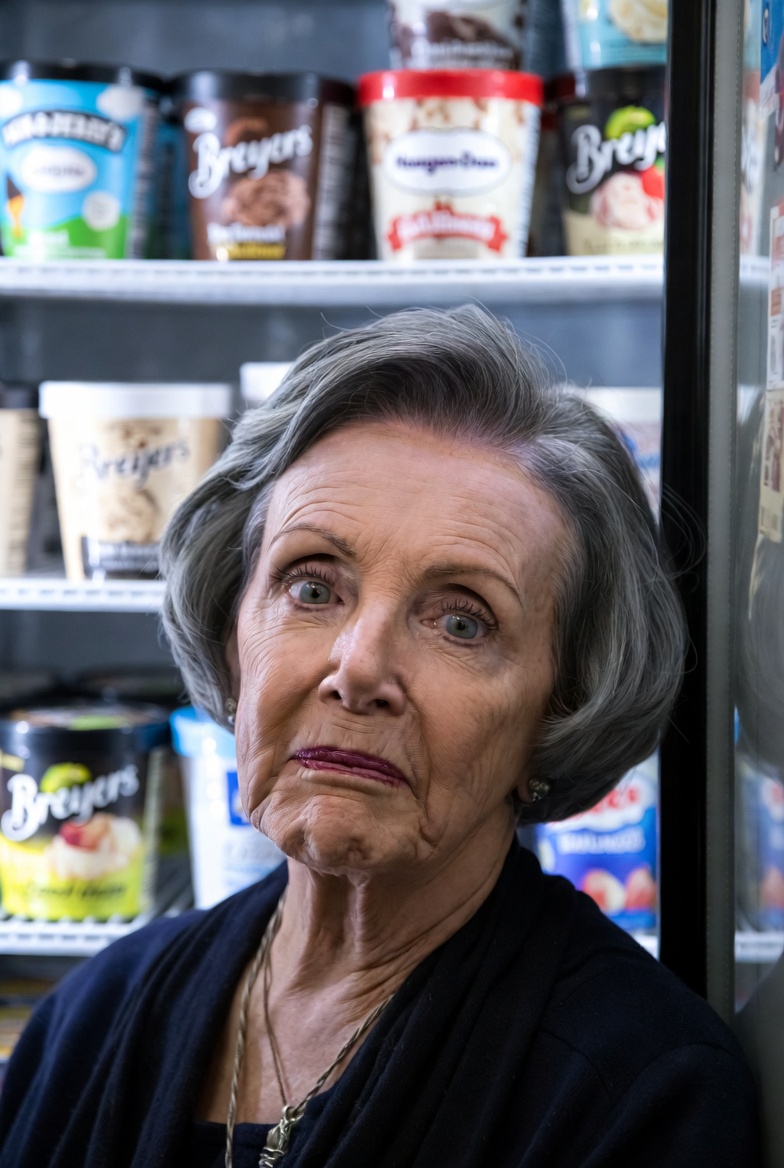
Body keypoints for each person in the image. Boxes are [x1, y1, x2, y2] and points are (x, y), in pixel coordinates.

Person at [0, 306, 760, 1168]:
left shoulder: (641, 1088)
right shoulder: (92, 1016)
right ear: (230, 631)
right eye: (313, 588)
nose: (358, 668)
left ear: (564, 705)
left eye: (462, 623)